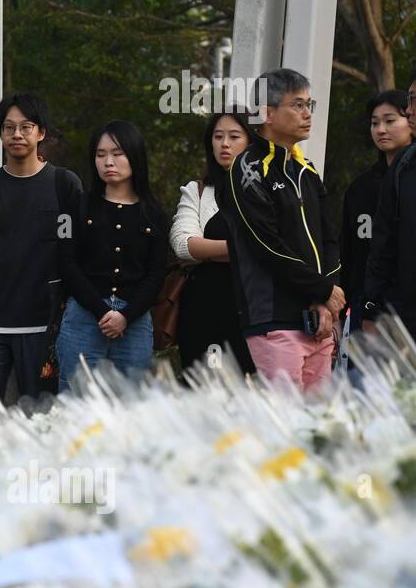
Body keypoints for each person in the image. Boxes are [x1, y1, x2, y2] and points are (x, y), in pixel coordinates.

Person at [217, 68, 344, 392]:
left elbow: (330, 238)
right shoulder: (246, 169)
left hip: (320, 319)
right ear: (268, 113)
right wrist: (322, 291)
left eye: (309, 105)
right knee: (284, 430)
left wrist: (325, 296)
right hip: (273, 320)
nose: (307, 114)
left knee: (322, 428)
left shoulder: (306, 170)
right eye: (297, 105)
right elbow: (266, 245)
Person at [0, 94, 82, 401]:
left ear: (41, 133)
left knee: (42, 419)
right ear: (0, 134)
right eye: (8, 127)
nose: (16, 134)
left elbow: (77, 255)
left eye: (26, 127)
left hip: (47, 326)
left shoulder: (64, 185)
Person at [56, 120, 167, 391]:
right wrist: (102, 310)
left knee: (129, 409)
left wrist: (126, 315)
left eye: (117, 153)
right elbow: (65, 262)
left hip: (135, 322)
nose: (108, 161)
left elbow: (156, 274)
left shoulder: (156, 214)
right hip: (83, 316)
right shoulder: (74, 206)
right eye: (100, 154)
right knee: (75, 402)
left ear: (135, 156)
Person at [169, 109, 257, 375]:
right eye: (218, 137)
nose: (225, 144)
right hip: (202, 308)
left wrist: (207, 250)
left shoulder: (266, 192)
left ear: (251, 142)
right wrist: (243, 249)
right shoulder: (197, 190)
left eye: (234, 136)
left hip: (253, 306)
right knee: (202, 393)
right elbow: (183, 244)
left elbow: (273, 247)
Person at [341, 90, 412, 324]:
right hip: (365, 303)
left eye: (390, 121)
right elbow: (348, 253)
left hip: (405, 303)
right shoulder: (359, 188)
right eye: (374, 123)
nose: (381, 129)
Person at [363, 67, 416, 335]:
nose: (409, 110)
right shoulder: (403, 168)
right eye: (409, 100)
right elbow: (383, 246)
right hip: (404, 315)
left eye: (414, 100)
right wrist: (370, 307)